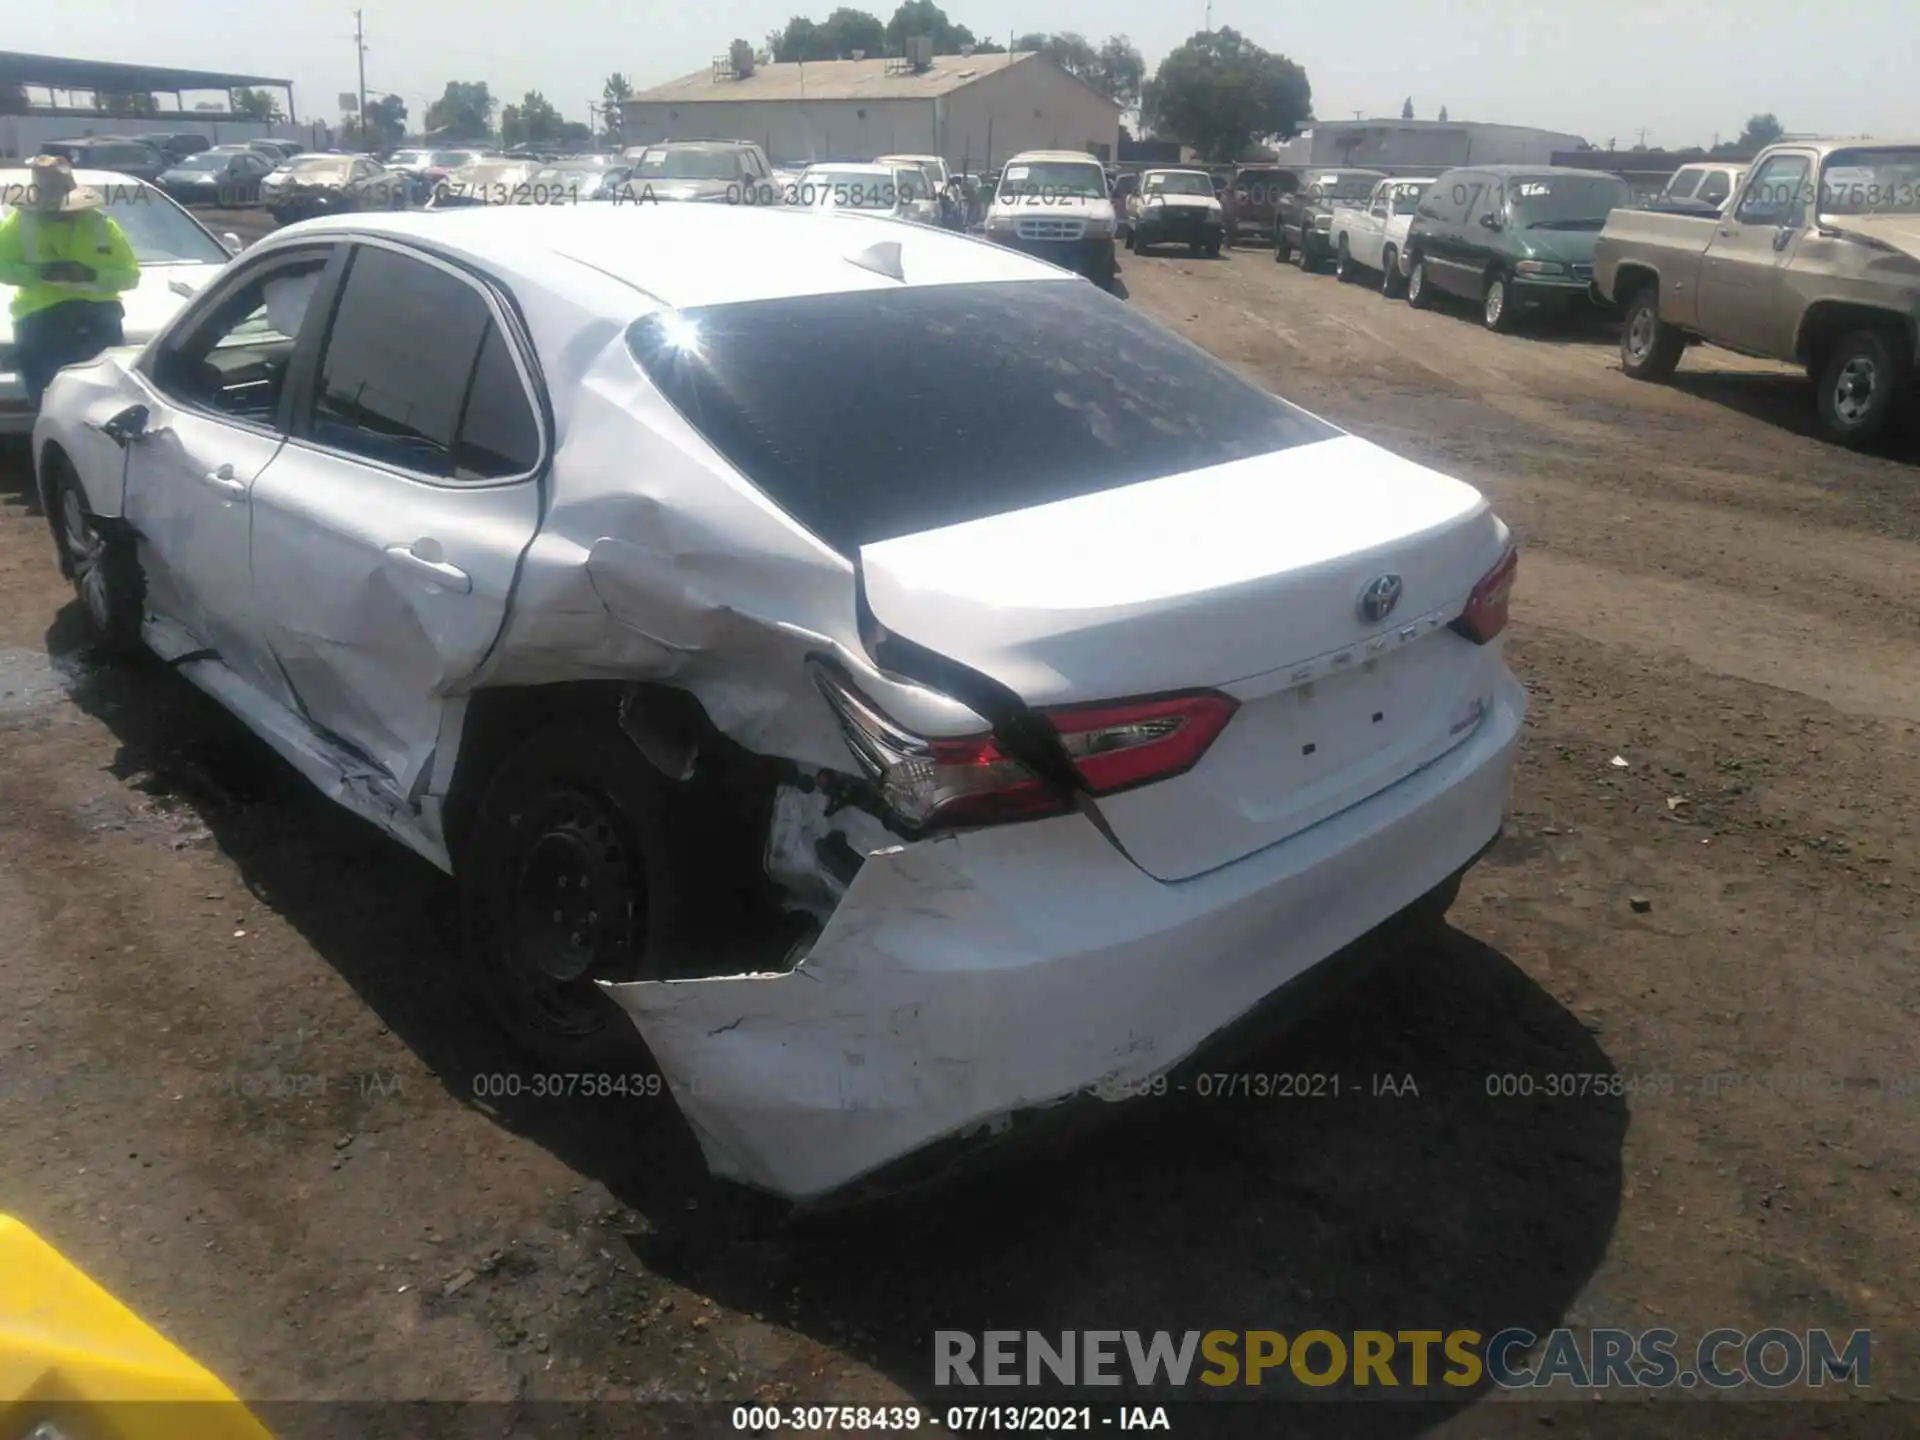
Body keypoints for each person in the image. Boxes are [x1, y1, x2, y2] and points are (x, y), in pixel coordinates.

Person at [0, 154, 139, 409]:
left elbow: (131, 276)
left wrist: (91, 275)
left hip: (98, 321)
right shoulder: (19, 223)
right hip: (41, 323)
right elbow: (3, 267)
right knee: (50, 405)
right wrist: (39, 273)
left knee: (106, 405)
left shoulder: (101, 225)